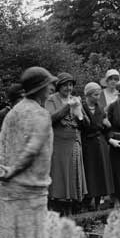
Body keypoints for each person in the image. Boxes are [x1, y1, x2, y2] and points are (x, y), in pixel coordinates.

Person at [0, 66, 58, 238]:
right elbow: (32, 150)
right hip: (30, 190)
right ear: (40, 88)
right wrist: (12, 170)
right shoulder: (41, 114)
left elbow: (0, 144)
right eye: (49, 85)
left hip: (10, 190)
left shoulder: (14, 111)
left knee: (6, 237)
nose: (52, 88)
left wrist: (1, 169)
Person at [45, 72, 88, 215]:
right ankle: (55, 207)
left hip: (74, 142)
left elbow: (88, 124)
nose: (68, 88)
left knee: (73, 175)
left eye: (70, 85)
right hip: (58, 143)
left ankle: (70, 208)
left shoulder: (75, 100)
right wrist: (67, 107)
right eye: (65, 85)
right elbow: (50, 119)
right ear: (59, 86)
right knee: (59, 174)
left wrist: (80, 115)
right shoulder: (51, 99)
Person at [81, 82, 115, 210]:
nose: (98, 96)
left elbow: (107, 129)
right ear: (88, 95)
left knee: (101, 173)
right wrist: (101, 122)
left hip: (101, 145)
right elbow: (84, 125)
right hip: (88, 145)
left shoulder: (100, 108)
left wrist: (109, 129)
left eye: (99, 94)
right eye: (96, 94)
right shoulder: (82, 108)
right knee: (90, 173)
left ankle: (97, 202)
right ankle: (86, 202)